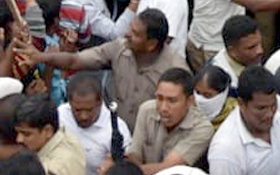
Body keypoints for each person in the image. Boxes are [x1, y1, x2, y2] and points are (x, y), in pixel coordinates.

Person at [24, 11, 187, 128]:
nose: (127, 34)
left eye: (136, 34)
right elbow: (75, 61)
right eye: (130, 28)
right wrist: (41, 57)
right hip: (117, 133)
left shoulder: (176, 70)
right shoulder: (119, 47)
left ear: (151, 44)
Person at [207, 66, 280, 175]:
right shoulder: (225, 152)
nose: (270, 114)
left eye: (273, 106)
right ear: (241, 104)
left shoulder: (279, 104)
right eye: (261, 109)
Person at [127, 68, 214, 175]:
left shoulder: (203, 129)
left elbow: (167, 169)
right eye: (159, 98)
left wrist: (131, 172)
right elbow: (134, 154)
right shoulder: (146, 110)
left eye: (172, 101)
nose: (163, 108)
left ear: (190, 101)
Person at [57, 73, 132, 175]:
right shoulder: (60, 115)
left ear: (100, 102)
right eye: (78, 110)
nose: (84, 116)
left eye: (89, 110)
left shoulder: (117, 129)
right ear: (69, 102)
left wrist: (113, 168)